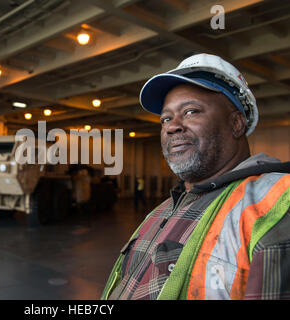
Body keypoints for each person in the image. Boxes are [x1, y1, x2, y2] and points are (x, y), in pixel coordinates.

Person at [102, 53, 290, 300]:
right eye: (166, 118)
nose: (172, 126)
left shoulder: (275, 207)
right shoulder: (164, 209)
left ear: (236, 124)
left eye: (190, 112)